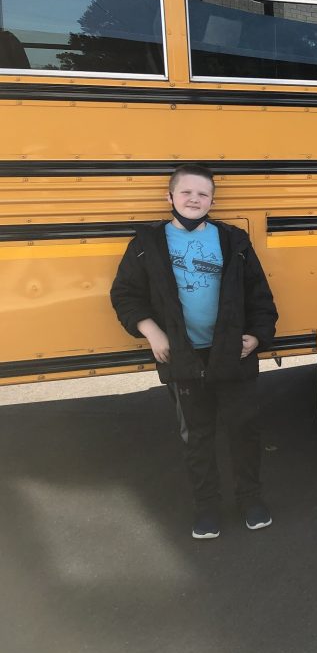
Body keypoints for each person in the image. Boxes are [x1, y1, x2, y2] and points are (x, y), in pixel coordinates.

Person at [110, 163, 278, 540]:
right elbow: (125, 294)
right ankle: (206, 506)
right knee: (197, 437)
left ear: (212, 201)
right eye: (186, 192)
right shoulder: (148, 244)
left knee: (244, 430)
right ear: (169, 197)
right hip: (183, 359)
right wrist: (152, 331)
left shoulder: (233, 241)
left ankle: (250, 499)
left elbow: (259, 294)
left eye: (203, 194)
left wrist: (257, 336)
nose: (194, 199)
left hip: (231, 355)